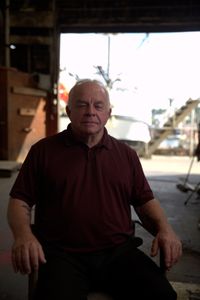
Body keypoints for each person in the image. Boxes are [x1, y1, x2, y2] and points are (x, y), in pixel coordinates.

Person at [7, 79, 182, 300]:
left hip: (118, 253)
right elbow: (19, 201)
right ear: (69, 111)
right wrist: (23, 236)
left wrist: (165, 228)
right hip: (62, 255)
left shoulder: (126, 155)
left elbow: (145, 200)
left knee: (162, 296)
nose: (90, 112)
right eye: (82, 105)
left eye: (98, 106)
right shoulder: (43, 152)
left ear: (108, 113)